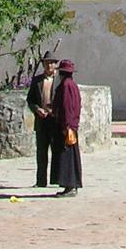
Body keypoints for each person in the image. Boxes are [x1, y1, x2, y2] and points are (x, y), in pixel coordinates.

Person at [26, 53, 61, 189]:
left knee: (56, 151)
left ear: (55, 65)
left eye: (51, 63)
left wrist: (55, 111)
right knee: (41, 152)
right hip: (41, 121)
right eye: (46, 63)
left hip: (54, 120)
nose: (49, 65)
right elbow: (30, 100)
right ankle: (41, 181)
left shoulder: (59, 80)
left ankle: (57, 179)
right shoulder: (37, 81)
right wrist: (37, 109)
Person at [51, 58, 83, 197]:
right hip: (71, 126)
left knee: (67, 156)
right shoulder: (72, 85)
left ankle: (70, 186)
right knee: (70, 156)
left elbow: (67, 107)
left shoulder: (66, 86)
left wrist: (67, 126)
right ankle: (70, 186)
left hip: (67, 127)